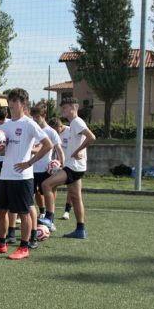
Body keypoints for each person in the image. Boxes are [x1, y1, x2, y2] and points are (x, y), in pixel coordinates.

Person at [0, 88, 52, 260]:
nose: (11, 104)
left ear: (23, 104)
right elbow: (7, 151)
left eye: (15, 101)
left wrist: (29, 163)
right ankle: (0, 244)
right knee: (1, 211)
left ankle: (24, 247)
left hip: (22, 176)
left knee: (24, 212)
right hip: (5, 174)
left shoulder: (29, 124)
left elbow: (48, 144)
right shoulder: (6, 126)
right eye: (10, 101)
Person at [40, 98, 96, 239]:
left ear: (73, 107)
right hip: (76, 166)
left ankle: (49, 217)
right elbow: (86, 138)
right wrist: (80, 150)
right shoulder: (74, 123)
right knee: (76, 198)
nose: (62, 110)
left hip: (74, 167)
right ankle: (80, 230)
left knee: (46, 184)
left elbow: (91, 137)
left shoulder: (77, 122)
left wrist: (78, 151)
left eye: (64, 108)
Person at [30, 104, 64, 222]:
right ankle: (41, 212)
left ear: (44, 116)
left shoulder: (51, 132)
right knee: (31, 194)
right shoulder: (32, 129)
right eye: (33, 117)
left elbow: (59, 150)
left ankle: (51, 219)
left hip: (46, 169)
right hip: (31, 169)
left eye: (37, 117)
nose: (35, 119)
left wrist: (62, 164)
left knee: (49, 193)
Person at [49, 117, 73, 220]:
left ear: (60, 126)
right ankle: (51, 210)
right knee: (52, 185)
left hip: (71, 164)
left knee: (71, 188)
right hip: (57, 164)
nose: (55, 133)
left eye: (56, 130)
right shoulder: (52, 133)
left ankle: (67, 211)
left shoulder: (70, 131)